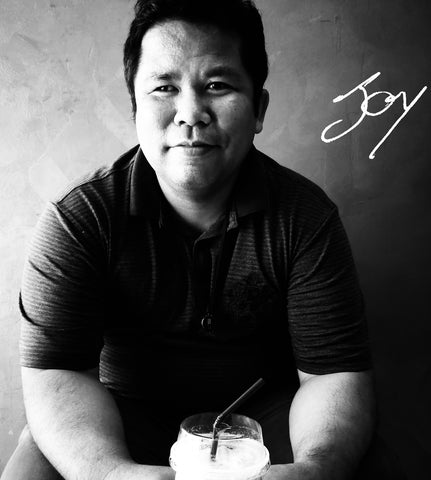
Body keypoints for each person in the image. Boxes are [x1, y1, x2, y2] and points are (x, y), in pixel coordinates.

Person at [1, 1, 376, 479]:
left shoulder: (305, 217)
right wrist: (111, 473)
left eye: (217, 85)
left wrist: (316, 467)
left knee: (365, 463)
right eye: (164, 87)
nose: (191, 114)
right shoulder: (79, 218)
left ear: (258, 109)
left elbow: (331, 374)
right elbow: (58, 372)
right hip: (119, 419)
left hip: (265, 425)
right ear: (135, 108)